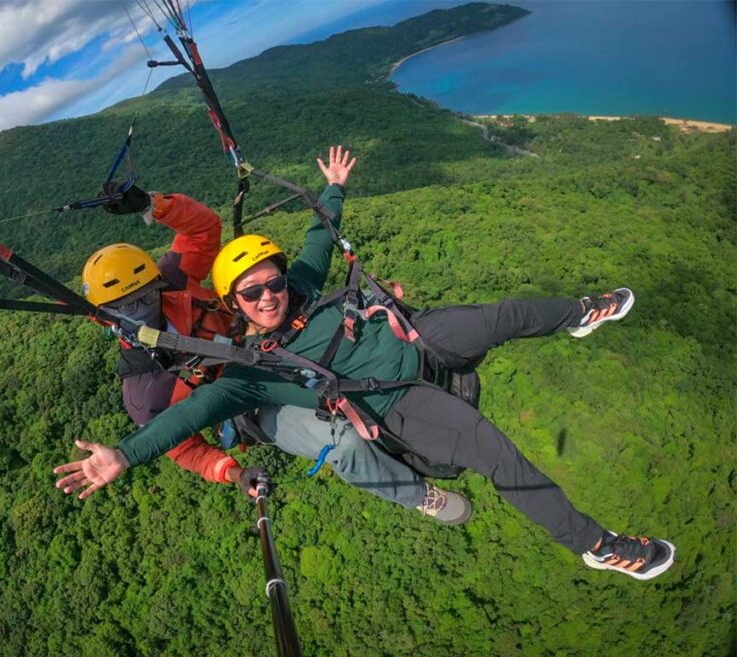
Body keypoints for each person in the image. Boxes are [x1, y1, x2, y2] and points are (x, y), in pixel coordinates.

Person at [56, 145, 675, 581]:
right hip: (394, 398)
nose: (268, 295)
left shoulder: (281, 287)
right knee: (493, 451)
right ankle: (596, 544)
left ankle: (580, 313)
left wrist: (334, 187)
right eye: (253, 293)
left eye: (269, 282)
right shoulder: (248, 372)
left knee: (500, 315)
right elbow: (185, 419)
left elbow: (317, 239)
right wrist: (125, 454)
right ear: (234, 302)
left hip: (415, 339)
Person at [78, 158, 468, 523]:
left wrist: (150, 204)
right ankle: (415, 493)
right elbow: (183, 446)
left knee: (370, 315)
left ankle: (434, 373)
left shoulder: (172, 282)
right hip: (252, 403)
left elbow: (203, 228)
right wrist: (232, 472)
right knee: (344, 442)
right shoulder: (144, 387)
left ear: (155, 282)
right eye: (130, 306)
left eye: (147, 294)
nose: (146, 307)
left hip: (268, 337)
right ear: (109, 318)